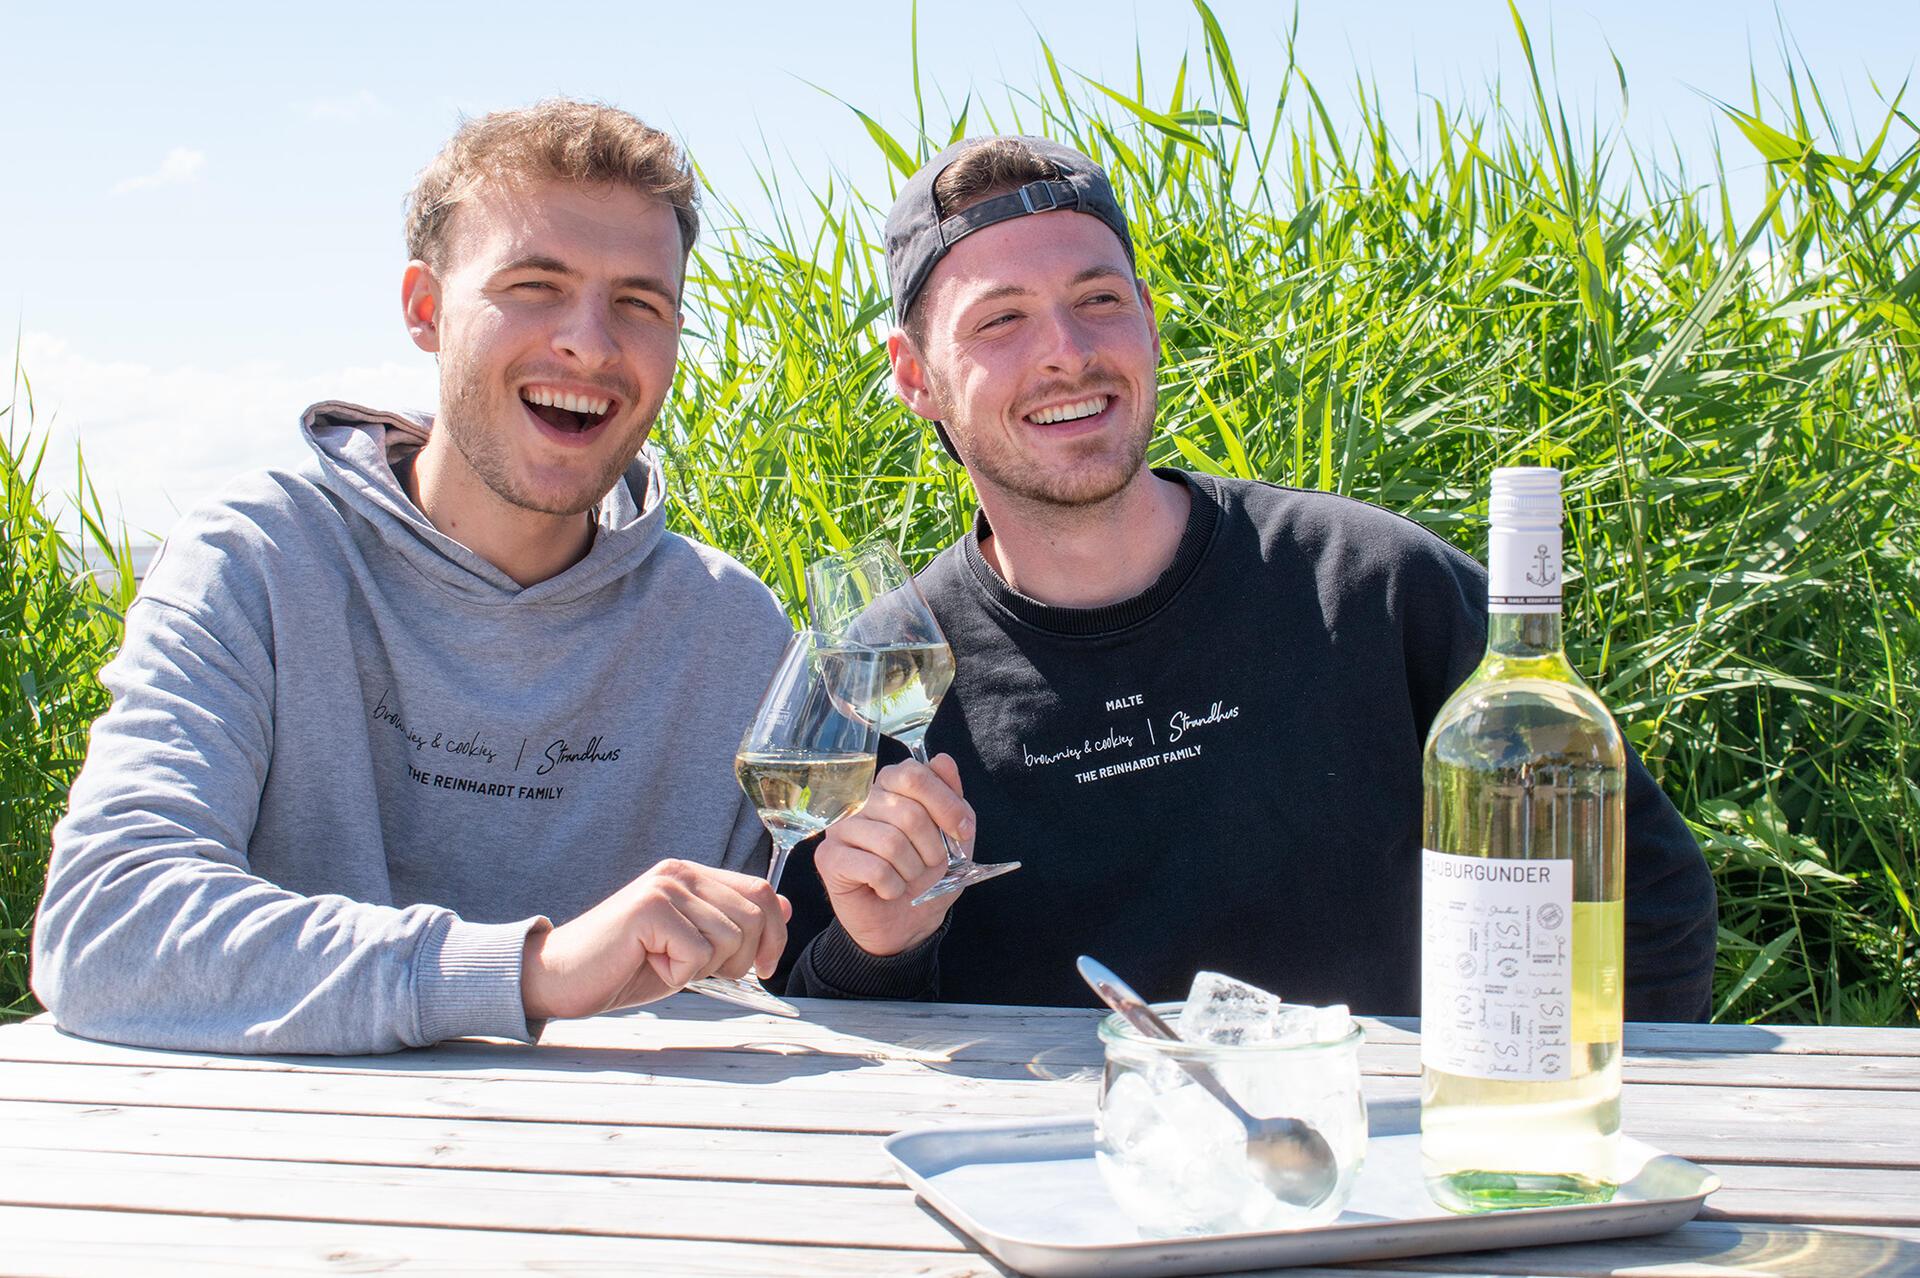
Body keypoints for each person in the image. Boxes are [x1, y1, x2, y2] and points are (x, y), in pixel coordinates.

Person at [781, 135, 1718, 1021]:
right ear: (915, 377)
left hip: (1364, 1176)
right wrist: (878, 949)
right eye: (1002, 319)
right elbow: (815, 1018)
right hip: (1036, 1180)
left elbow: (1642, 902)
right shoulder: (880, 672)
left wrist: (1539, 1136)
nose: (1067, 349)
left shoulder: (1376, 589)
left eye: (1099, 299)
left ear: (1148, 319)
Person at [33, 101, 794, 1054]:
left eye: (640, 304)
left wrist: (879, 927)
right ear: (425, 310)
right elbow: (106, 928)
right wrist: (526, 971)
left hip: (648, 1177)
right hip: (279, 1169)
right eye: (536, 285)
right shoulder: (259, 562)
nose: (591, 345)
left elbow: (792, 967)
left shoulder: (732, 631)